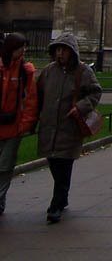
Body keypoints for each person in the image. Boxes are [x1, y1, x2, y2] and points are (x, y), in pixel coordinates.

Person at [37, 32, 102, 224]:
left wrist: (80, 107)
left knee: (64, 165)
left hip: (69, 127)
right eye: (57, 50)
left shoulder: (83, 71)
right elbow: (37, 95)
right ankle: (62, 197)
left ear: (72, 53)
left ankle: (55, 206)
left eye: (63, 50)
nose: (60, 54)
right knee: (54, 163)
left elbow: (95, 92)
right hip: (50, 127)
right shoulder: (49, 71)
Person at [0, 32, 38, 215]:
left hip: (14, 127)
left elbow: (31, 100)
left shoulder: (26, 70)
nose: (24, 50)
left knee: (5, 167)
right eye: (20, 47)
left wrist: (25, 125)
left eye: (25, 47)